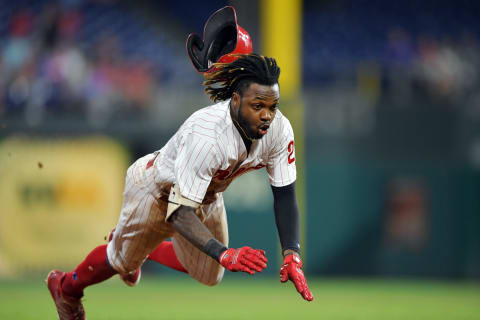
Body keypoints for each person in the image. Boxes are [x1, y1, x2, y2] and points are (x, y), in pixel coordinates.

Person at [46, 52, 313, 319]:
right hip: (155, 190)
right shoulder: (207, 135)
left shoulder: (279, 130)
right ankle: (66, 288)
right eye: (257, 106)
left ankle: (144, 249)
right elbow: (179, 212)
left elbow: (285, 195)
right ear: (235, 100)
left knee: (210, 274)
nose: (267, 115)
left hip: (205, 195)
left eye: (272, 106)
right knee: (121, 261)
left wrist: (292, 254)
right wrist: (224, 253)